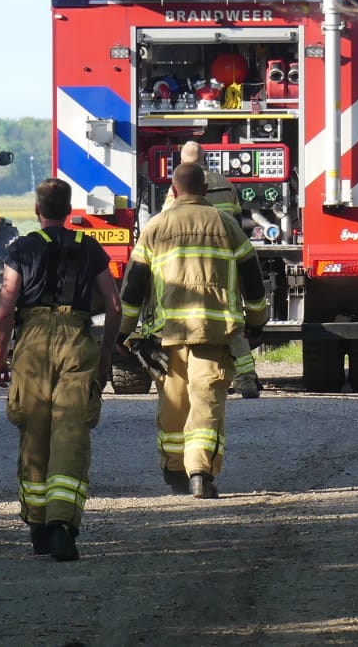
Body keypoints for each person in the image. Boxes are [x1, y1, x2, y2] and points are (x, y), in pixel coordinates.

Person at [118, 163, 269, 500]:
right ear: (204, 190)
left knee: (173, 403)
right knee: (206, 401)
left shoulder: (156, 227)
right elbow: (252, 278)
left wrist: (123, 334)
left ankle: (174, 472)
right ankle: (200, 474)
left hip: (166, 335)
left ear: (173, 191)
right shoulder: (226, 224)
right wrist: (257, 321)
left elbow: (134, 286)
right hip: (214, 333)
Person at [0, 178, 121, 562]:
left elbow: (5, 308)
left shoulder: (21, 248)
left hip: (31, 342)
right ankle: (63, 526)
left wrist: (0, 354)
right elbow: (114, 306)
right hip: (77, 340)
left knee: (34, 431)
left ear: (37, 210)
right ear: (68, 211)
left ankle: (37, 526)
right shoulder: (89, 247)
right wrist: (106, 354)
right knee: (70, 432)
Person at [170, 141, 262, 400]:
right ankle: (246, 378)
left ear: (182, 160)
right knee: (231, 323)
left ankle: (192, 378)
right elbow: (238, 224)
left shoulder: (179, 186)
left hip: (187, 266)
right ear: (205, 159)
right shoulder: (226, 184)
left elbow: (169, 223)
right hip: (223, 264)